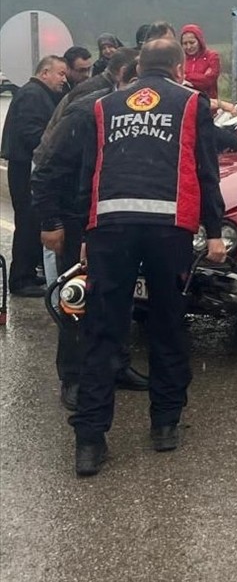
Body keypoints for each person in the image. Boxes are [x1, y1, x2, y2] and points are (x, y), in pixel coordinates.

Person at [70, 39, 226, 477]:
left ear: (138, 68)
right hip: (169, 227)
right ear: (179, 69)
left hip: (110, 226)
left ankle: (89, 440)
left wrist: (85, 233)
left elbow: (89, 173)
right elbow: (206, 171)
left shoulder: (104, 106)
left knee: (102, 329)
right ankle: (164, 423)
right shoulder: (192, 103)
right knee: (167, 323)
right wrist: (215, 232)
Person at [32, 51, 149, 411]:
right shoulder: (85, 113)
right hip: (74, 219)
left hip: (116, 219)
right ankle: (73, 375)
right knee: (77, 298)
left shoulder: (138, 116)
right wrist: (50, 223)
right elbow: (46, 170)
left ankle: (116, 364)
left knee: (120, 297)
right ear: (124, 79)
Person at [0, 55, 69, 295]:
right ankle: (21, 279)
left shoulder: (39, 93)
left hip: (27, 165)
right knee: (27, 222)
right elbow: (31, 133)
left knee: (32, 220)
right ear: (44, 72)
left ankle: (28, 271)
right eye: (60, 73)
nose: (64, 79)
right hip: (24, 167)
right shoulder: (32, 95)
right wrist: (56, 145)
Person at [180, 24, 221, 98]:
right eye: (185, 43)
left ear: (199, 41)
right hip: (186, 101)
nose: (188, 47)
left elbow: (208, 81)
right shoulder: (180, 59)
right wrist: (201, 76)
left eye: (192, 42)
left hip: (208, 101)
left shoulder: (212, 56)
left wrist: (186, 77)